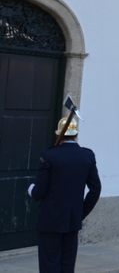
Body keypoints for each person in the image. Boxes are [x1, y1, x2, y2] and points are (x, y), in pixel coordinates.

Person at [28, 116, 101, 273]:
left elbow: (39, 191)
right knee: (67, 265)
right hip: (72, 219)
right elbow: (95, 189)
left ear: (58, 135)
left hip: (51, 219)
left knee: (49, 264)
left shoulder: (49, 155)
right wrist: (81, 212)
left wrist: (31, 190)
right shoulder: (87, 156)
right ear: (76, 135)